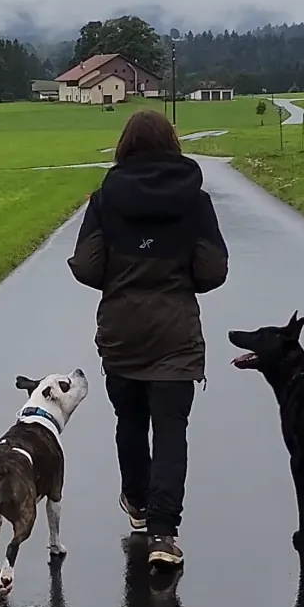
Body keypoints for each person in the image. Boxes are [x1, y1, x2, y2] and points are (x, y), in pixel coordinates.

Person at [69, 111, 228, 569]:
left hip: (121, 331)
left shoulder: (104, 200)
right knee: (172, 431)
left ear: (124, 146)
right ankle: (164, 532)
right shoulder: (195, 203)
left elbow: (86, 266)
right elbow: (213, 271)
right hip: (176, 331)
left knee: (131, 422)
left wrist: (123, 271)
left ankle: (137, 502)